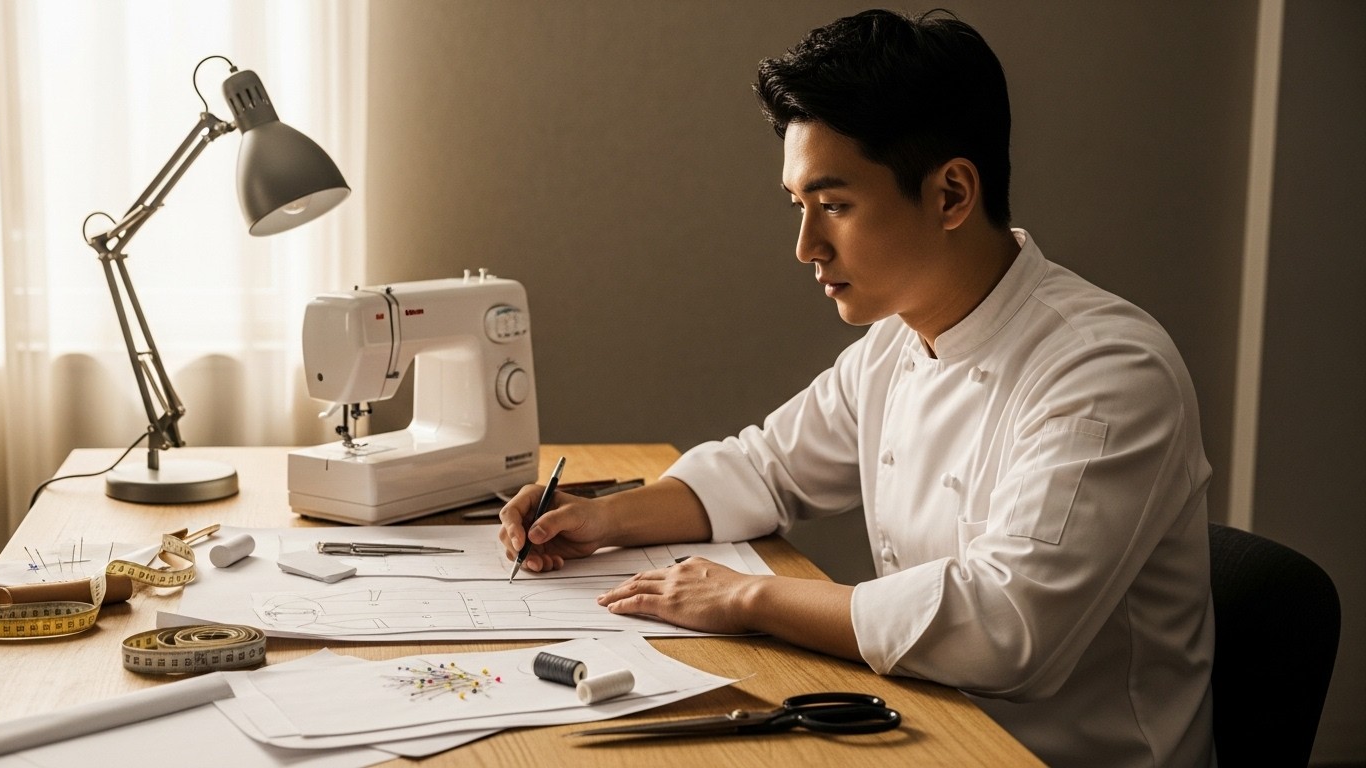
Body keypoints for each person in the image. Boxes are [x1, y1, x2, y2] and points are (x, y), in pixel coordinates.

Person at [498, 9, 1214, 767]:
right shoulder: (898, 340)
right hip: (920, 725)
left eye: (834, 205)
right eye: (798, 205)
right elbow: (769, 468)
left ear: (950, 195)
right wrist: (599, 518)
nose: (806, 246)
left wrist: (747, 597)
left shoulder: (1105, 371)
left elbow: (1007, 631)